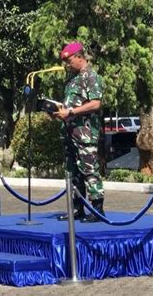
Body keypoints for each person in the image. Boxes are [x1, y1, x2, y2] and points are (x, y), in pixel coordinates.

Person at [55, 42, 105, 223]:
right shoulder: (72, 80)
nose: (68, 65)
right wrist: (60, 112)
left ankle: (98, 209)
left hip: (85, 134)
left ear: (78, 56)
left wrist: (71, 112)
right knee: (72, 172)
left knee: (89, 171)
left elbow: (95, 103)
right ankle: (77, 208)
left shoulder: (91, 77)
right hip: (70, 133)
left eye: (69, 61)